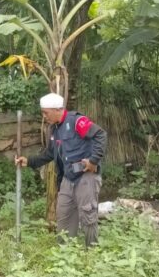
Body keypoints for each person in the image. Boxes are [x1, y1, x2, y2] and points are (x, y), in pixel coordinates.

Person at [15, 93, 107, 247]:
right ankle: (65, 253)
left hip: (85, 176)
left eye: (46, 112)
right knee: (63, 216)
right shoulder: (54, 129)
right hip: (67, 178)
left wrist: (93, 160)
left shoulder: (77, 121)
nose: (44, 116)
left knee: (88, 217)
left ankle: (92, 252)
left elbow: (100, 135)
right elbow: (51, 154)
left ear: (58, 109)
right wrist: (29, 161)